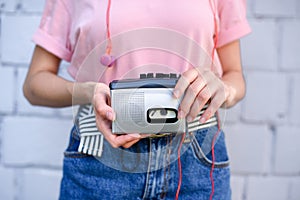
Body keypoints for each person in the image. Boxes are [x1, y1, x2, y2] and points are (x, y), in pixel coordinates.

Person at [23, 0, 251, 199]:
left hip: (195, 159)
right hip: (100, 156)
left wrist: (224, 89)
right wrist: (88, 91)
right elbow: (34, 84)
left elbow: (235, 76)